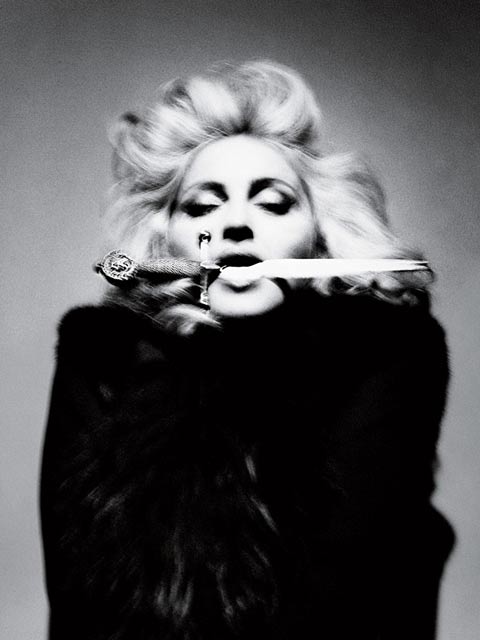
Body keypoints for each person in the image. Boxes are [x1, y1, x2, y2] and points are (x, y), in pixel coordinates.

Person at [40, 61, 454, 640]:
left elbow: (349, 594)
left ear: (318, 237)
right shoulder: (102, 359)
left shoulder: (386, 351)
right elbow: (77, 605)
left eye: (274, 203)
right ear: (166, 242)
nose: (235, 223)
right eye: (202, 207)